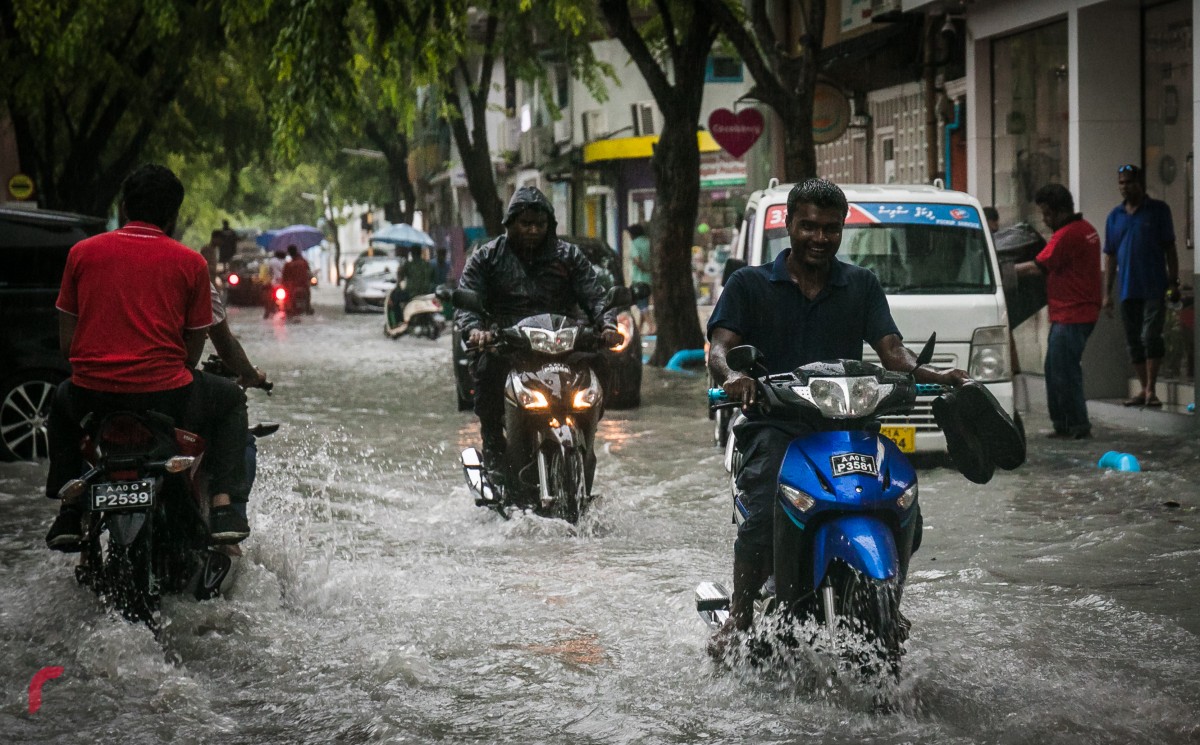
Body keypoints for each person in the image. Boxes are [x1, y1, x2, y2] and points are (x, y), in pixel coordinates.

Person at [705, 178, 968, 655]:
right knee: (763, 514)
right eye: (808, 226)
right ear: (789, 224)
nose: (819, 238)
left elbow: (893, 351)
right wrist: (731, 377)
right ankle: (740, 619)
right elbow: (719, 347)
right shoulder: (749, 283)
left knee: (902, 503)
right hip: (775, 427)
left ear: (842, 229)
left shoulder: (861, 285)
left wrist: (931, 373)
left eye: (830, 228)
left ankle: (889, 602)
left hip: (849, 428)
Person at [44, 164, 251, 550]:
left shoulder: (81, 254)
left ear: (123, 208)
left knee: (59, 399)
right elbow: (191, 355)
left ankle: (69, 510)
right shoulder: (192, 264)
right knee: (231, 401)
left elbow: (68, 347)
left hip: (91, 397)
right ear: (173, 215)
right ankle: (225, 506)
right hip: (167, 398)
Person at [456, 186, 622, 476]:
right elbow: (468, 297)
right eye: (526, 224)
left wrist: (607, 324)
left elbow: (596, 296)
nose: (533, 230)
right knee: (486, 374)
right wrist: (475, 330)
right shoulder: (487, 257)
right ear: (511, 224)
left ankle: (587, 433)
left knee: (601, 365)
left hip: (565, 342)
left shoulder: (569, 256)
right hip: (508, 345)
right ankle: (495, 453)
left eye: (540, 224)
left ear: (550, 225)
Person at [1015, 184, 1101, 439]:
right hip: (1078, 313)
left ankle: (1076, 425)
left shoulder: (1067, 235)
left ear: (1060, 211)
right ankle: (1064, 423)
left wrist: (1000, 271)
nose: (1044, 220)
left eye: (1047, 214)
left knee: (1064, 371)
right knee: (1056, 368)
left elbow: (1037, 266)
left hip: (1072, 315)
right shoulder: (1088, 230)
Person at [1104, 164, 1182, 407]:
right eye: (1121, 183)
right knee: (1133, 340)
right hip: (1127, 289)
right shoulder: (1114, 217)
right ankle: (1143, 388)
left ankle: (1151, 389)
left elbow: (1170, 248)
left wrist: (1173, 282)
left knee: (1150, 336)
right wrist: (1106, 293)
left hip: (1154, 287)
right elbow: (1111, 256)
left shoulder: (1158, 211)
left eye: (1129, 182)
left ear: (1140, 183)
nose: (1124, 187)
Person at [282, 244, 312, 314]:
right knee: (307, 296)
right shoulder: (304, 262)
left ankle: (289, 308)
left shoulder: (288, 265)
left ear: (289, 253)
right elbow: (309, 273)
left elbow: (284, 278)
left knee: (288, 301)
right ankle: (308, 308)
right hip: (304, 286)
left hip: (292, 287)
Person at [263, 248, 287, 318]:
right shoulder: (287, 262)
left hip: (274, 284)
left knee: (269, 298)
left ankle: (267, 312)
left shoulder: (271, 261)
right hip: (284, 284)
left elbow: (269, 272)